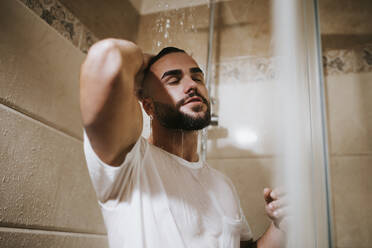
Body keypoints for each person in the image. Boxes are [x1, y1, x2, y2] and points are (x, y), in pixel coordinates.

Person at [80, 38, 287, 248]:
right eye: (173, 80)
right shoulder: (129, 164)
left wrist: (280, 226)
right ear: (148, 107)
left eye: (197, 78)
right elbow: (107, 56)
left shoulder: (223, 184)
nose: (192, 86)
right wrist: (151, 63)